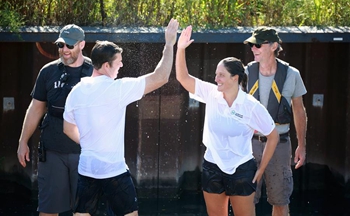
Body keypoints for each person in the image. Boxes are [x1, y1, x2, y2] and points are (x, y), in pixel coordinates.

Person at [62, 18, 179, 216]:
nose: (122, 65)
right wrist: (169, 44)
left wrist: (89, 143)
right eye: (119, 62)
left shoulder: (76, 91)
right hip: (113, 171)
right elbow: (161, 77)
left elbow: (67, 128)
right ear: (106, 65)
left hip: (87, 169)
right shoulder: (117, 89)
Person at [176, 25, 279, 216]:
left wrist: (261, 169)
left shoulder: (251, 106)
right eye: (216, 74)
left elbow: (273, 136)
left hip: (242, 169)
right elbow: (183, 78)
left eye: (221, 75)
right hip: (212, 166)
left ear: (235, 78)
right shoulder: (211, 93)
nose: (216, 79)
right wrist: (180, 48)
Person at [17, 24, 93, 216]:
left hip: (85, 153)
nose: (64, 50)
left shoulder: (95, 72)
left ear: (82, 44)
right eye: (61, 45)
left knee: (83, 212)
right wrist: (23, 142)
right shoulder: (48, 72)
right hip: (52, 152)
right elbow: (36, 108)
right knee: (48, 211)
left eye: (69, 45)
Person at [244, 27, 307, 216]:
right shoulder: (245, 72)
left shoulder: (292, 74)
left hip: (280, 145)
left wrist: (302, 146)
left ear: (274, 46)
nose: (253, 49)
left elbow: (299, 111)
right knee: (245, 199)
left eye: (257, 45)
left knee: (280, 201)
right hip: (249, 145)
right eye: (251, 45)